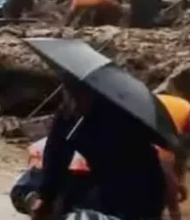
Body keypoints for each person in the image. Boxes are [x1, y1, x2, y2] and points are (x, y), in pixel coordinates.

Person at [32, 87, 167, 220]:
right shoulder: (68, 116)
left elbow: (143, 160)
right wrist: (46, 197)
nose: (74, 98)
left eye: (81, 93)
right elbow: (56, 155)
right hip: (102, 184)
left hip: (139, 190)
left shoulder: (120, 113)